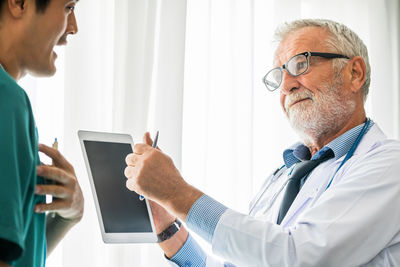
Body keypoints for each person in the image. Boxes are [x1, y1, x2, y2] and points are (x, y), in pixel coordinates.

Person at [125, 19, 400, 266]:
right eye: (279, 75)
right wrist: (167, 225)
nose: (286, 86)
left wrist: (177, 193)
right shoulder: (280, 177)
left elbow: (298, 257)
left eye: (300, 64)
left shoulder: (389, 165)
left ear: (355, 73)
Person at [0, 0, 84, 266]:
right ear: (19, 3)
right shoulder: (8, 101)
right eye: (68, 7)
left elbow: (15, 255)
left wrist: (66, 217)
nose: (74, 28)